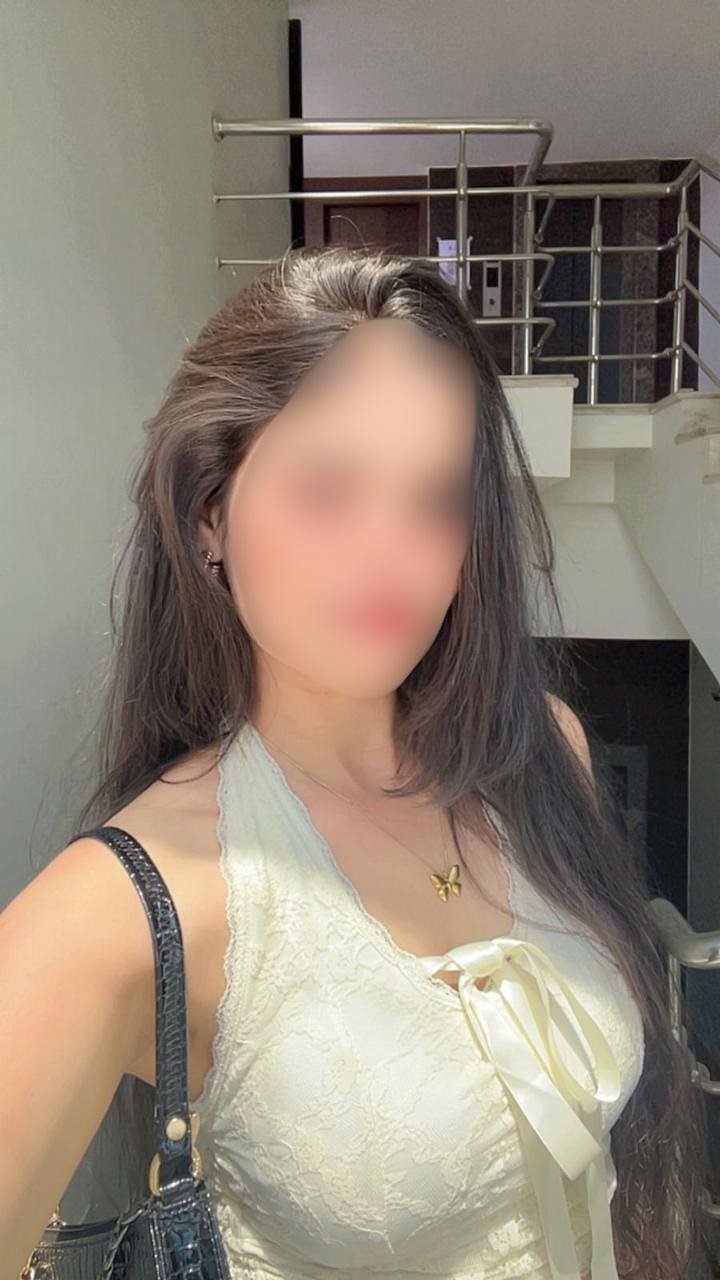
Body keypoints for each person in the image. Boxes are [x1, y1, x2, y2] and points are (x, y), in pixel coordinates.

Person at [1, 246, 710, 1280]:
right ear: (210, 516)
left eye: (435, 498)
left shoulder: (539, 750)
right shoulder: (131, 903)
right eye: (329, 490)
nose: (391, 550)